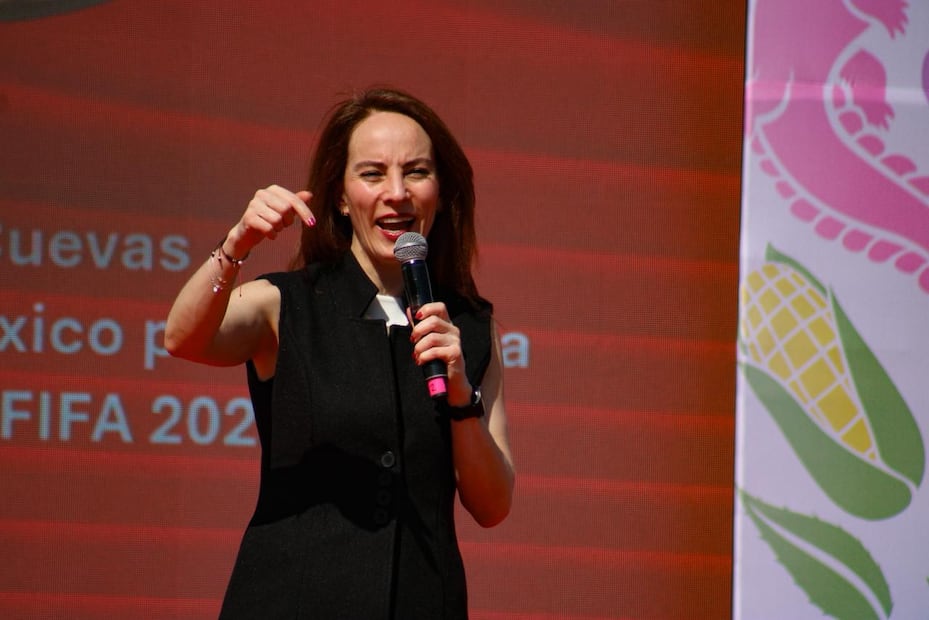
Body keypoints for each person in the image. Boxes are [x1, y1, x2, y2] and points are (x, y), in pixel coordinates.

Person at [164, 87, 514, 619]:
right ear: (341, 197)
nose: (396, 193)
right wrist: (236, 246)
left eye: (416, 172)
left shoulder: (467, 326)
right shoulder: (286, 304)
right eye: (372, 174)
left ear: (441, 192)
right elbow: (182, 339)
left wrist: (462, 396)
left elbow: (492, 505)